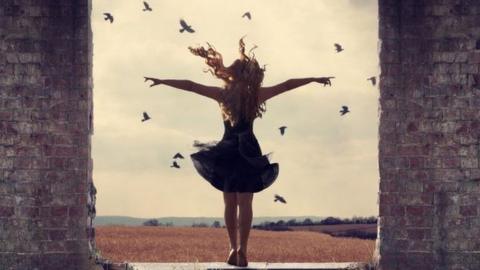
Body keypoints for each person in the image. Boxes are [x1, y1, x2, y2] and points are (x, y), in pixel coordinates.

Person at [144, 38, 332, 267]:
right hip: (248, 150)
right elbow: (287, 84)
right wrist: (314, 79)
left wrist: (162, 81)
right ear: (249, 75)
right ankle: (241, 250)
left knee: (230, 203)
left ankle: (234, 248)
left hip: (228, 149)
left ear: (233, 74)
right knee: (245, 202)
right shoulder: (255, 96)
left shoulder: (223, 95)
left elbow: (191, 85)